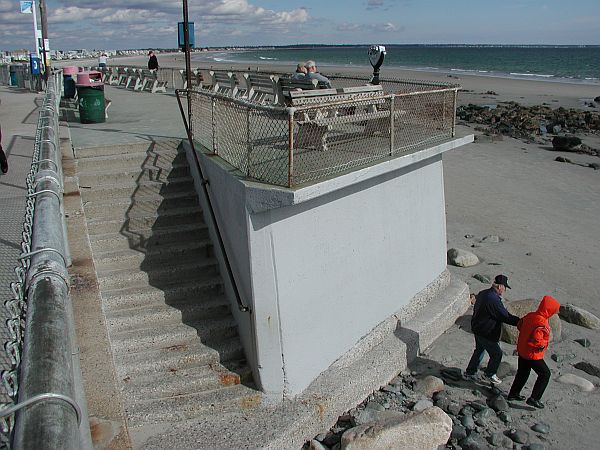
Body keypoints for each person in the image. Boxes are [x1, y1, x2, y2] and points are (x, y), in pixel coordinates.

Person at [464, 275, 520, 384]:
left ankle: (470, 372)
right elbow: (504, 316)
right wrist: (520, 322)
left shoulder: (483, 293)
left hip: (477, 328)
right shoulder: (493, 299)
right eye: (505, 287)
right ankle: (490, 374)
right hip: (487, 332)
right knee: (497, 354)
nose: (505, 290)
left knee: (479, 350)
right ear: (500, 286)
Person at [507, 295, 560, 409]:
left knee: (523, 372)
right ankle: (534, 398)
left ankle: (513, 394)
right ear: (549, 310)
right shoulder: (541, 323)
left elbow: (520, 325)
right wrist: (542, 345)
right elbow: (537, 339)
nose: (555, 313)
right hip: (532, 354)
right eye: (554, 310)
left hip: (522, 350)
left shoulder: (531, 315)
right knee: (545, 374)